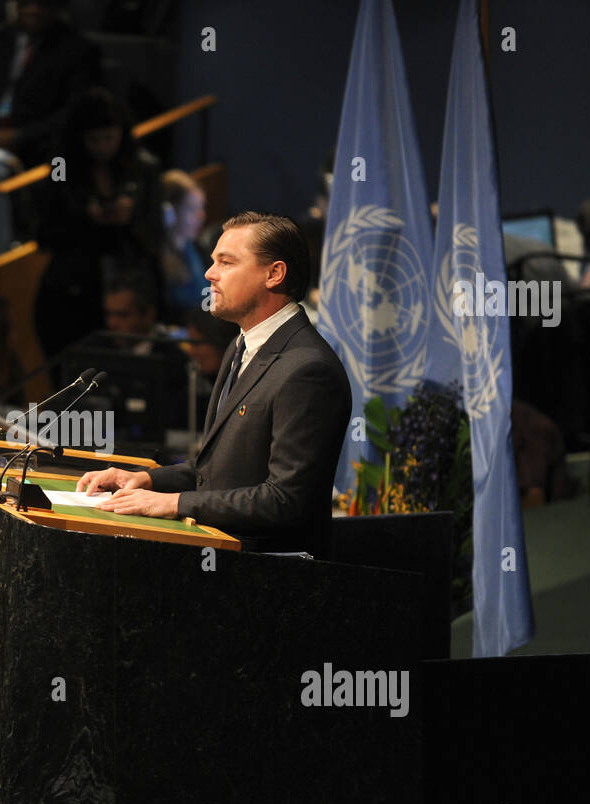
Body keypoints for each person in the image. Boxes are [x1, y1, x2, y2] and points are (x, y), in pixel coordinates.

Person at [76, 212, 352, 556]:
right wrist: (146, 479)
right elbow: (216, 472)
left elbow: (285, 500)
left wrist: (173, 503)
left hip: (267, 570)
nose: (209, 273)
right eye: (213, 261)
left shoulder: (308, 369)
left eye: (226, 262)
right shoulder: (239, 345)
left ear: (274, 274)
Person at [33, 88, 162, 357]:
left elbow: (155, 235)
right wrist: (83, 217)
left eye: (109, 138)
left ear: (121, 133)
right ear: (79, 138)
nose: (102, 147)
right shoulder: (61, 168)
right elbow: (44, 233)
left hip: (128, 288)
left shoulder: (143, 167)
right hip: (72, 294)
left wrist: (129, 218)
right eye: (94, 140)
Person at [0, 0, 100, 166]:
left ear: (56, 8)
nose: (33, 10)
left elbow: (75, 111)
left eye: (41, 4)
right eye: (27, 3)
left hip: (36, 145)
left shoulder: (78, 50)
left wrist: (20, 136)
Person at [159, 169, 209, 324]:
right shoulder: (155, 258)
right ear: (169, 212)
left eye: (201, 207)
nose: (201, 216)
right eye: (192, 209)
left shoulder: (197, 248)